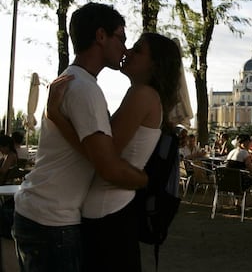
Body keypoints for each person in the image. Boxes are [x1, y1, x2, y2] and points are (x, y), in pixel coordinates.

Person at [12, 3, 149, 272]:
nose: (125, 48)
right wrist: (143, 179)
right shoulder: (85, 89)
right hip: (53, 222)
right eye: (120, 37)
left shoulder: (71, 80)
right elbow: (106, 165)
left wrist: (57, 117)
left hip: (38, 211)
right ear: (101, 36)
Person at [46, 32, 182, 271]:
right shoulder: (146, 96)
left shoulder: (142, 95)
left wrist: (56, 116)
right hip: (112, 210)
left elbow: (103, 156)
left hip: (108, 214)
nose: (127, 51)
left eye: (138, 50)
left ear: (155, 64)